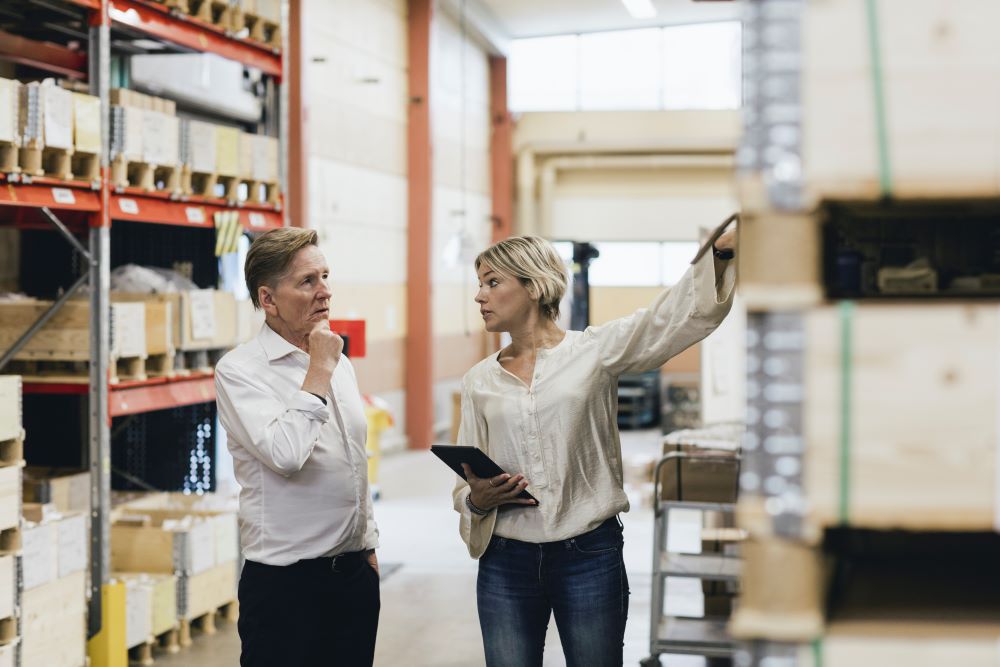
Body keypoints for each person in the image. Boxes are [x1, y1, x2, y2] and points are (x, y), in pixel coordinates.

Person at [452, 230, 736, 666]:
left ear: (533, 285)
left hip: (588, 554)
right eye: (479, 284)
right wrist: (476, 499)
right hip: (506, 560)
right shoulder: (479, 381)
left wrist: (719, 253)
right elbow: (465, 481)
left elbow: (667, 320)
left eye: (492, 282)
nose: (479, 296)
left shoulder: (594, 352)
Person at [215, 227, 380, 667]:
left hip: (352, 577)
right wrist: (319, 370)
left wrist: (368, 545)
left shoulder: (336, 360)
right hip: (285, 586)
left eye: (325, 276)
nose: (325, 292)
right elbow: (286, 454)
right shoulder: (240, 371)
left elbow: (353, 459)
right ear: (268, 299)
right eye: (308, 281)